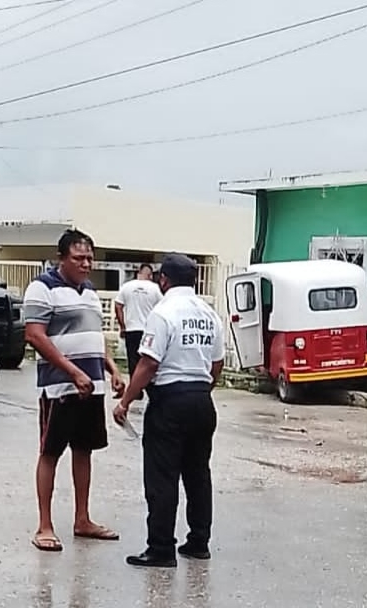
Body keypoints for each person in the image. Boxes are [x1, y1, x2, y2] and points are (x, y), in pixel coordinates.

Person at [113, 253, 224, 568]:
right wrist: (200, 391)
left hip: (169, 401)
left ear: (164, 280)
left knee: (162, 477)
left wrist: (125, 402)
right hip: (202, 400)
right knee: (198, 474)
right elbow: (217, 364)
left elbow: (148, 362)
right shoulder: (209, 314)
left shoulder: (163, 313)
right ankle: (199, 541)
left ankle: (161, 547)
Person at [23, 229, 126, 552]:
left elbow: (94, 335)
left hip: (91, 386)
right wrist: (72, 371)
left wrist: (112, 369)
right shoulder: (42, 288)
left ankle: (83, 519)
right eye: (78, 258)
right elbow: (35, 336)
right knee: (50, 452)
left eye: (89, 258)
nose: (85, 264)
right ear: (62, 258)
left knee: (84, 450)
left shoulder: (91, 291)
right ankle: (44, 525)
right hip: (59, 387)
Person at [115, 263, 162, 401]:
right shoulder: (154, 288)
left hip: (131, 329)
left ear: (138, 273)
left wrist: (122, 325)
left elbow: (118, 306)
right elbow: (161, 307)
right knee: (148, 360)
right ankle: (147, 388)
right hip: (148, 330)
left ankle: (136, 391)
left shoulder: (127, 287)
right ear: (150, 275)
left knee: (133, 361)